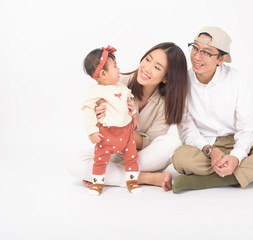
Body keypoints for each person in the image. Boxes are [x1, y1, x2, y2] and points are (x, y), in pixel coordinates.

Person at [172, 26, 253, 193]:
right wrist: (210, 150)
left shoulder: (238, 79)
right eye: (195, 48)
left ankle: (205, 181)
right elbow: (186, 130)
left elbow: (247, 129)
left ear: (221, 59)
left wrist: (235, 157)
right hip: (204, 147)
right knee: (180, 158)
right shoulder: (182, 82)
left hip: (235, 141)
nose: (197, 56)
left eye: (206, 52)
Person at [67, 42, 188, 191]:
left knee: (172, 143)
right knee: (73, 163)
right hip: (113, 150)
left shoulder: (167, 104)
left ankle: (105, 174)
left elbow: (150, 143)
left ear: (166, 78)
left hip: (141, 155)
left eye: (157, 67)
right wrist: (99, 116)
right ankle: (145, 178)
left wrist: (124, 132)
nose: (147, 68)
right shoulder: (117, 82)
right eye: (148, 59)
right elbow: (93, 117)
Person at [82, 45, 142, 196]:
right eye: (115, 66)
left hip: (126, 133)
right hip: (107, 134)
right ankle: (97, 184)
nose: (118, 69)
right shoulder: (95, 92)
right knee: (100, 160)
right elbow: (88, 111)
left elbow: (129, 103)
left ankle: (131, 181)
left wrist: (134, 117)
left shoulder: (121, 86)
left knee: (132, 157)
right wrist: (92, 131)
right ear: (103, 74)